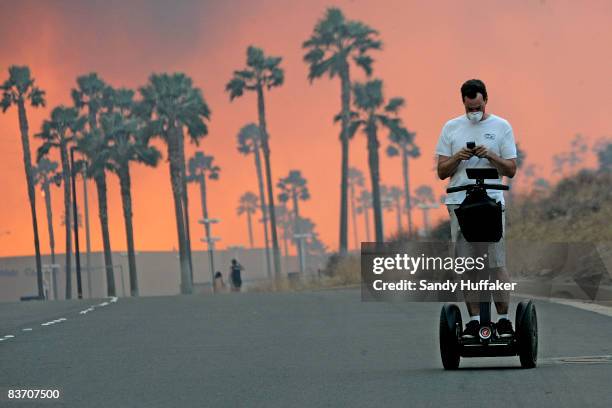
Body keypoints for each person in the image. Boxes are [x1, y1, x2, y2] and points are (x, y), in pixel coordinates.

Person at [435, 79, 517, 339]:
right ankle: (473, 322)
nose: (474, 111)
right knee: (469, 266)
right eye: (470, 108)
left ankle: (503, 320)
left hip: (492, 202)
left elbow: (511, 169)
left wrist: (490, 155)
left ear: (486, 101)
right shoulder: (451, 128)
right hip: (460, 203)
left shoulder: (501, 126)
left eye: (478, 107)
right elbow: (441, 171)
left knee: (496, 264)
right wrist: (458, 157)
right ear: (463, 102)